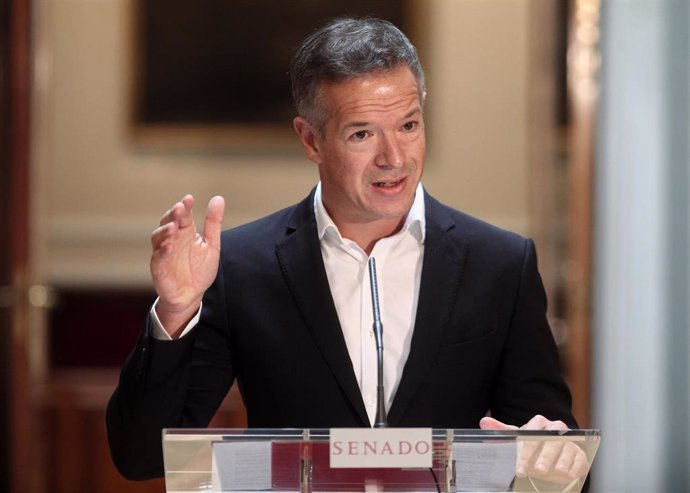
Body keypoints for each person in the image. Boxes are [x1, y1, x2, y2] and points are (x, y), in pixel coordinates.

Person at [107, 17, 588, 485]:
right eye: (362, 134)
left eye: (408, 125)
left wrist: (551, 450)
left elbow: (561, 460)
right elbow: (143, 456)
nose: (394, 158)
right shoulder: (240, 267)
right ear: (311, 139)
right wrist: (176, 310)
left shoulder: (501, 264)